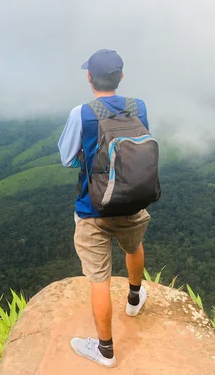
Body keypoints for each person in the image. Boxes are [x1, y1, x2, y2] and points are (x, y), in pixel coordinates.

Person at [57, 49, 152, 368]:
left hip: (92, 208)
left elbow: (67, 157)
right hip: (133, 199)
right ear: (121, 76)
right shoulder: (138, 106)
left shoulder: (81, 113)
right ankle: (135, 298)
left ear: (89, 78)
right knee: (134, 245)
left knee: (100, 279)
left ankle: (106, 351)